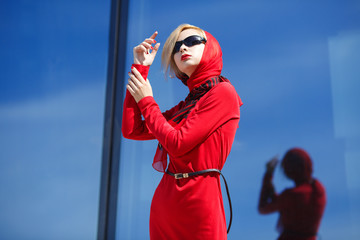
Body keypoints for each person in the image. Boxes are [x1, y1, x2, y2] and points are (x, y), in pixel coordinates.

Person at [122, 23, 243, 240]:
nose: (182, 49)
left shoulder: (223, 93)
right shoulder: (185, 106)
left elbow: (178, 143)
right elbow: (132, 129)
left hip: (200, 200)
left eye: (192, 41)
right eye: (176, 47)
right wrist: (140, 68)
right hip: (165, 202)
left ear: (211, 47)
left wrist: (147, 101)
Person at [258, 148, 327, 240]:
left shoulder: (291, 195)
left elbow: (263, 208)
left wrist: (268, 174)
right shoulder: (319, 190)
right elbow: (291, 206)